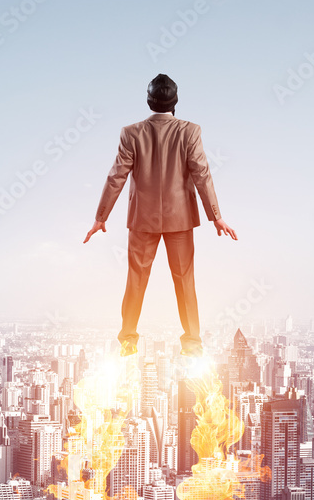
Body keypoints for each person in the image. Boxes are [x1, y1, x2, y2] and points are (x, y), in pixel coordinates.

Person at [83, 74, 237, 358]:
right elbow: (201, 174)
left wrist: (100, 217)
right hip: (181, 221)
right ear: (175, 102)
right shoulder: (190, 131)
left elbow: (116, 176)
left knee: (136, 280)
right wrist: (216, 216)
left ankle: (128, 342)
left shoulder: (131, 133)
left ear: (149, 100)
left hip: (143, 220)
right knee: (185, 280)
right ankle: (192, 344)